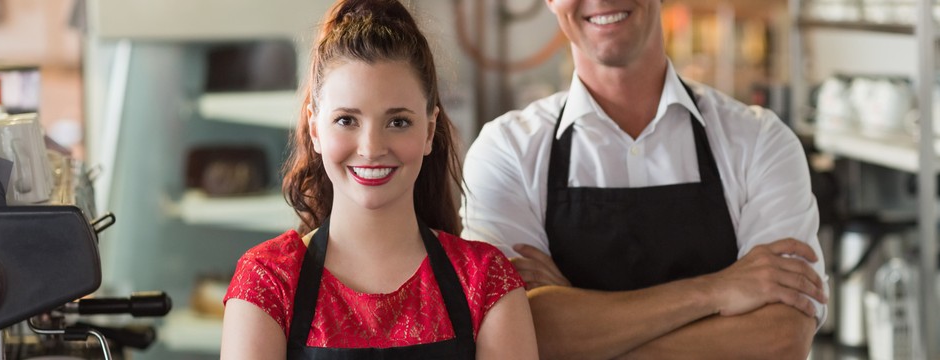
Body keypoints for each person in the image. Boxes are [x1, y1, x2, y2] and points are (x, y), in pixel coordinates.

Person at [460, 0, 828, 358]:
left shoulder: (759, 141)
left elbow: (781, 337)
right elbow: (506, 337)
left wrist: (578, 330)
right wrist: (716, 291)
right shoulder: (507, 151)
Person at [221, 1, 538, 359]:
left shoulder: (484, 280)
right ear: (315, 130)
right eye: (346, 120)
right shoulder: (269, 281)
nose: (371, 148)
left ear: (429, 130)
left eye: (398, 121)